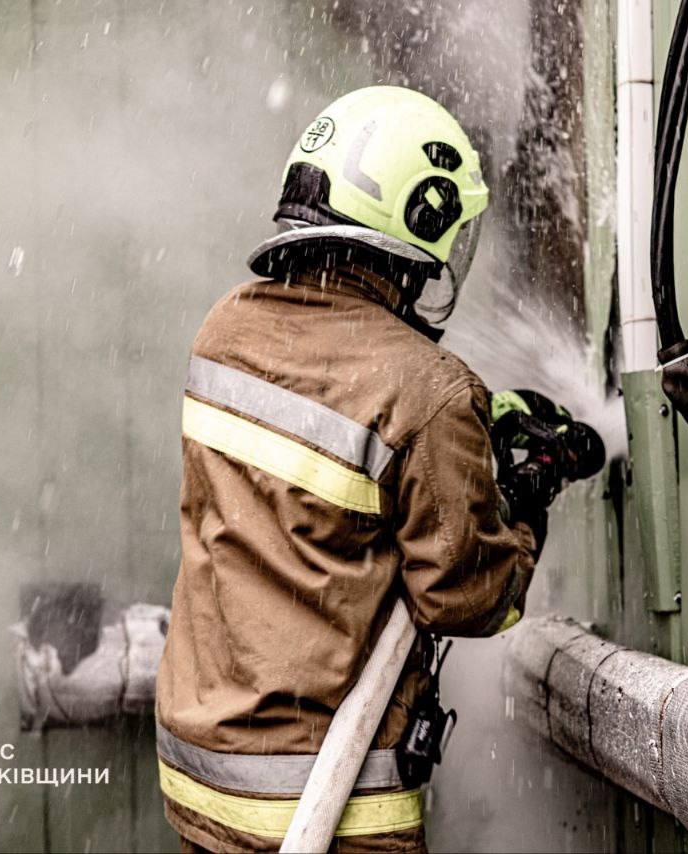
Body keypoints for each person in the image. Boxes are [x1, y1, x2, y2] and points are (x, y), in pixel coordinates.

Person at [155, 86, 564, 853]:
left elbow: (313, 482)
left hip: (203, 778)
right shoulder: (429, 392)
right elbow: (467, 598)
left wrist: (465, 440)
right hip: (327, 798)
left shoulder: (224, 331)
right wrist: (528, 500)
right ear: (423, 220)